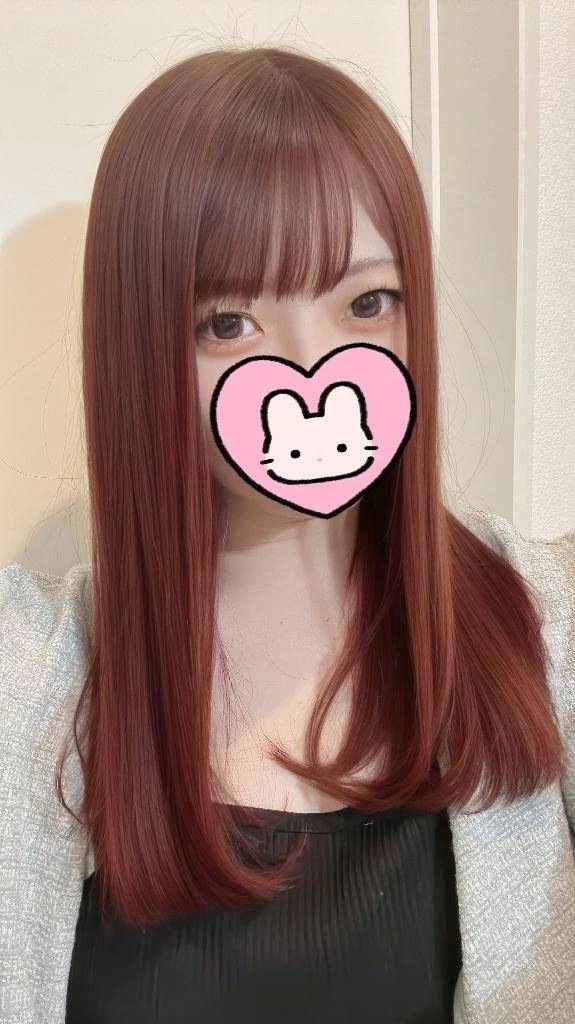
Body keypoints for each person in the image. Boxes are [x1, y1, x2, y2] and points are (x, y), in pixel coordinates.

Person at [1, 45, 574, 1024]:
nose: (315, 371)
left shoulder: (542, 621)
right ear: (140, 346)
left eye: (366, 304)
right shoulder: (32, 675)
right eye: (227, 322)